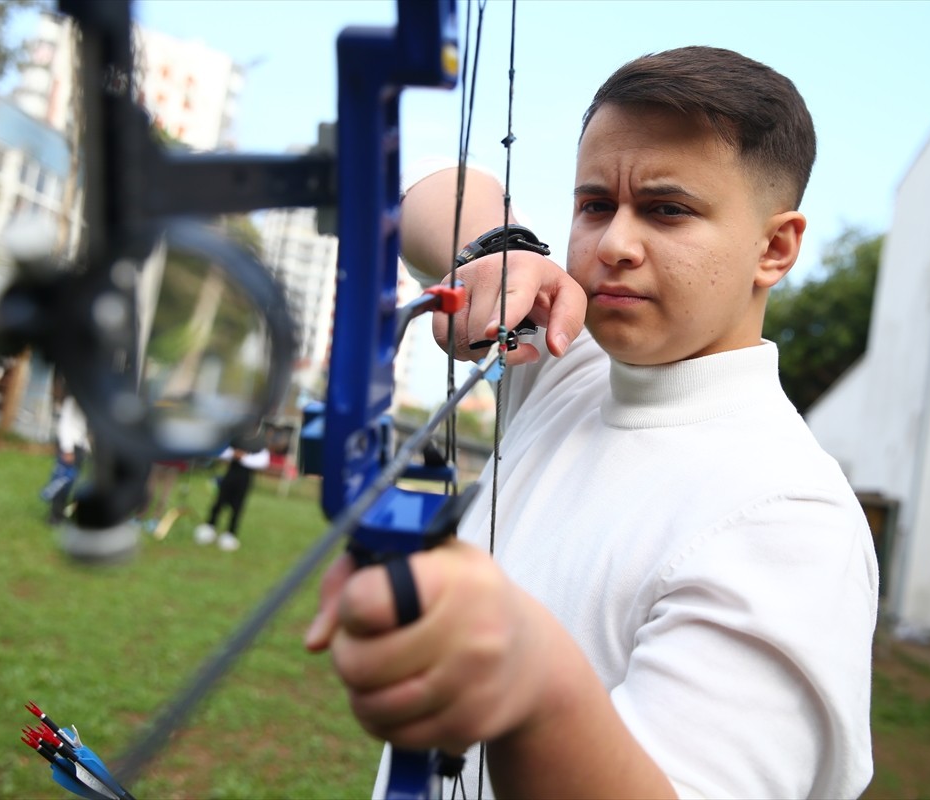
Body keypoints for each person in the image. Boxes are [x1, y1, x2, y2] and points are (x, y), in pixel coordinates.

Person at [305, 46, 879, 799]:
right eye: (595, 205)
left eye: (668, 210)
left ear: (774, 248)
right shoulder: (568, 359)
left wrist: (533, 684)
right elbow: (440, 195)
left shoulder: (792, 521)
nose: (613, 244)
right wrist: (501, 254)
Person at [194, 428, 270, 552]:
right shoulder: (237, 437)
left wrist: (244, 457)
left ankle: (230, 534)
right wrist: (233, 455)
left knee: (237, 507)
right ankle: (210, 526)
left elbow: (263, 462)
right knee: (219, 502)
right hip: (231, 474)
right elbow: (223, 452)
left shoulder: (260, 442)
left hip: (245, 477)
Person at [43, 393, 90, 525]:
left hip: (81, 446)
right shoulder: (72, 400)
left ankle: (63, 512)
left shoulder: (91, 401)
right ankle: (54, 516)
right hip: (70, 445)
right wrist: (67, 449)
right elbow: (65, 424)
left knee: (72, 482)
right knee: (62, 480)